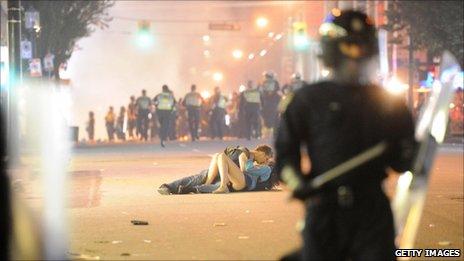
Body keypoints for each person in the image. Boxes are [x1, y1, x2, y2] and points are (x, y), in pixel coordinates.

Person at [275, 10, 417, 261]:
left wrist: (411, 152)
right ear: (332, 51)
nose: (355, 58)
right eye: (349, 48)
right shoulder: (308, 100)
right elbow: (285, 157)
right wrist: (299, 183)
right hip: (324, 211)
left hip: (372, 212)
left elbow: (402, 162)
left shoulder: (389, 104)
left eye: (361, 48)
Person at [158, 145, 277, 194]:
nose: (265, 161)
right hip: (227, 173)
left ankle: (219, 185)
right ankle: (170, 187)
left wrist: (246, 158)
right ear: (262, 152)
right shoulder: (244, 152)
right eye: (266, 158)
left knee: (219, 158)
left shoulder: (264, 167)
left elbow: (245, 169)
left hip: (238, 178)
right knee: (202, 175)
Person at [260, 71, 281, 137]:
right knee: (275, 119)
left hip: (266, 103)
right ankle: (274, 134)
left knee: (266, 118)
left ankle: (265, 134)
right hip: (274, 103)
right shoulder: (275, 82)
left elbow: (261, 93)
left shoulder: (263, 83)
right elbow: (278, 91)